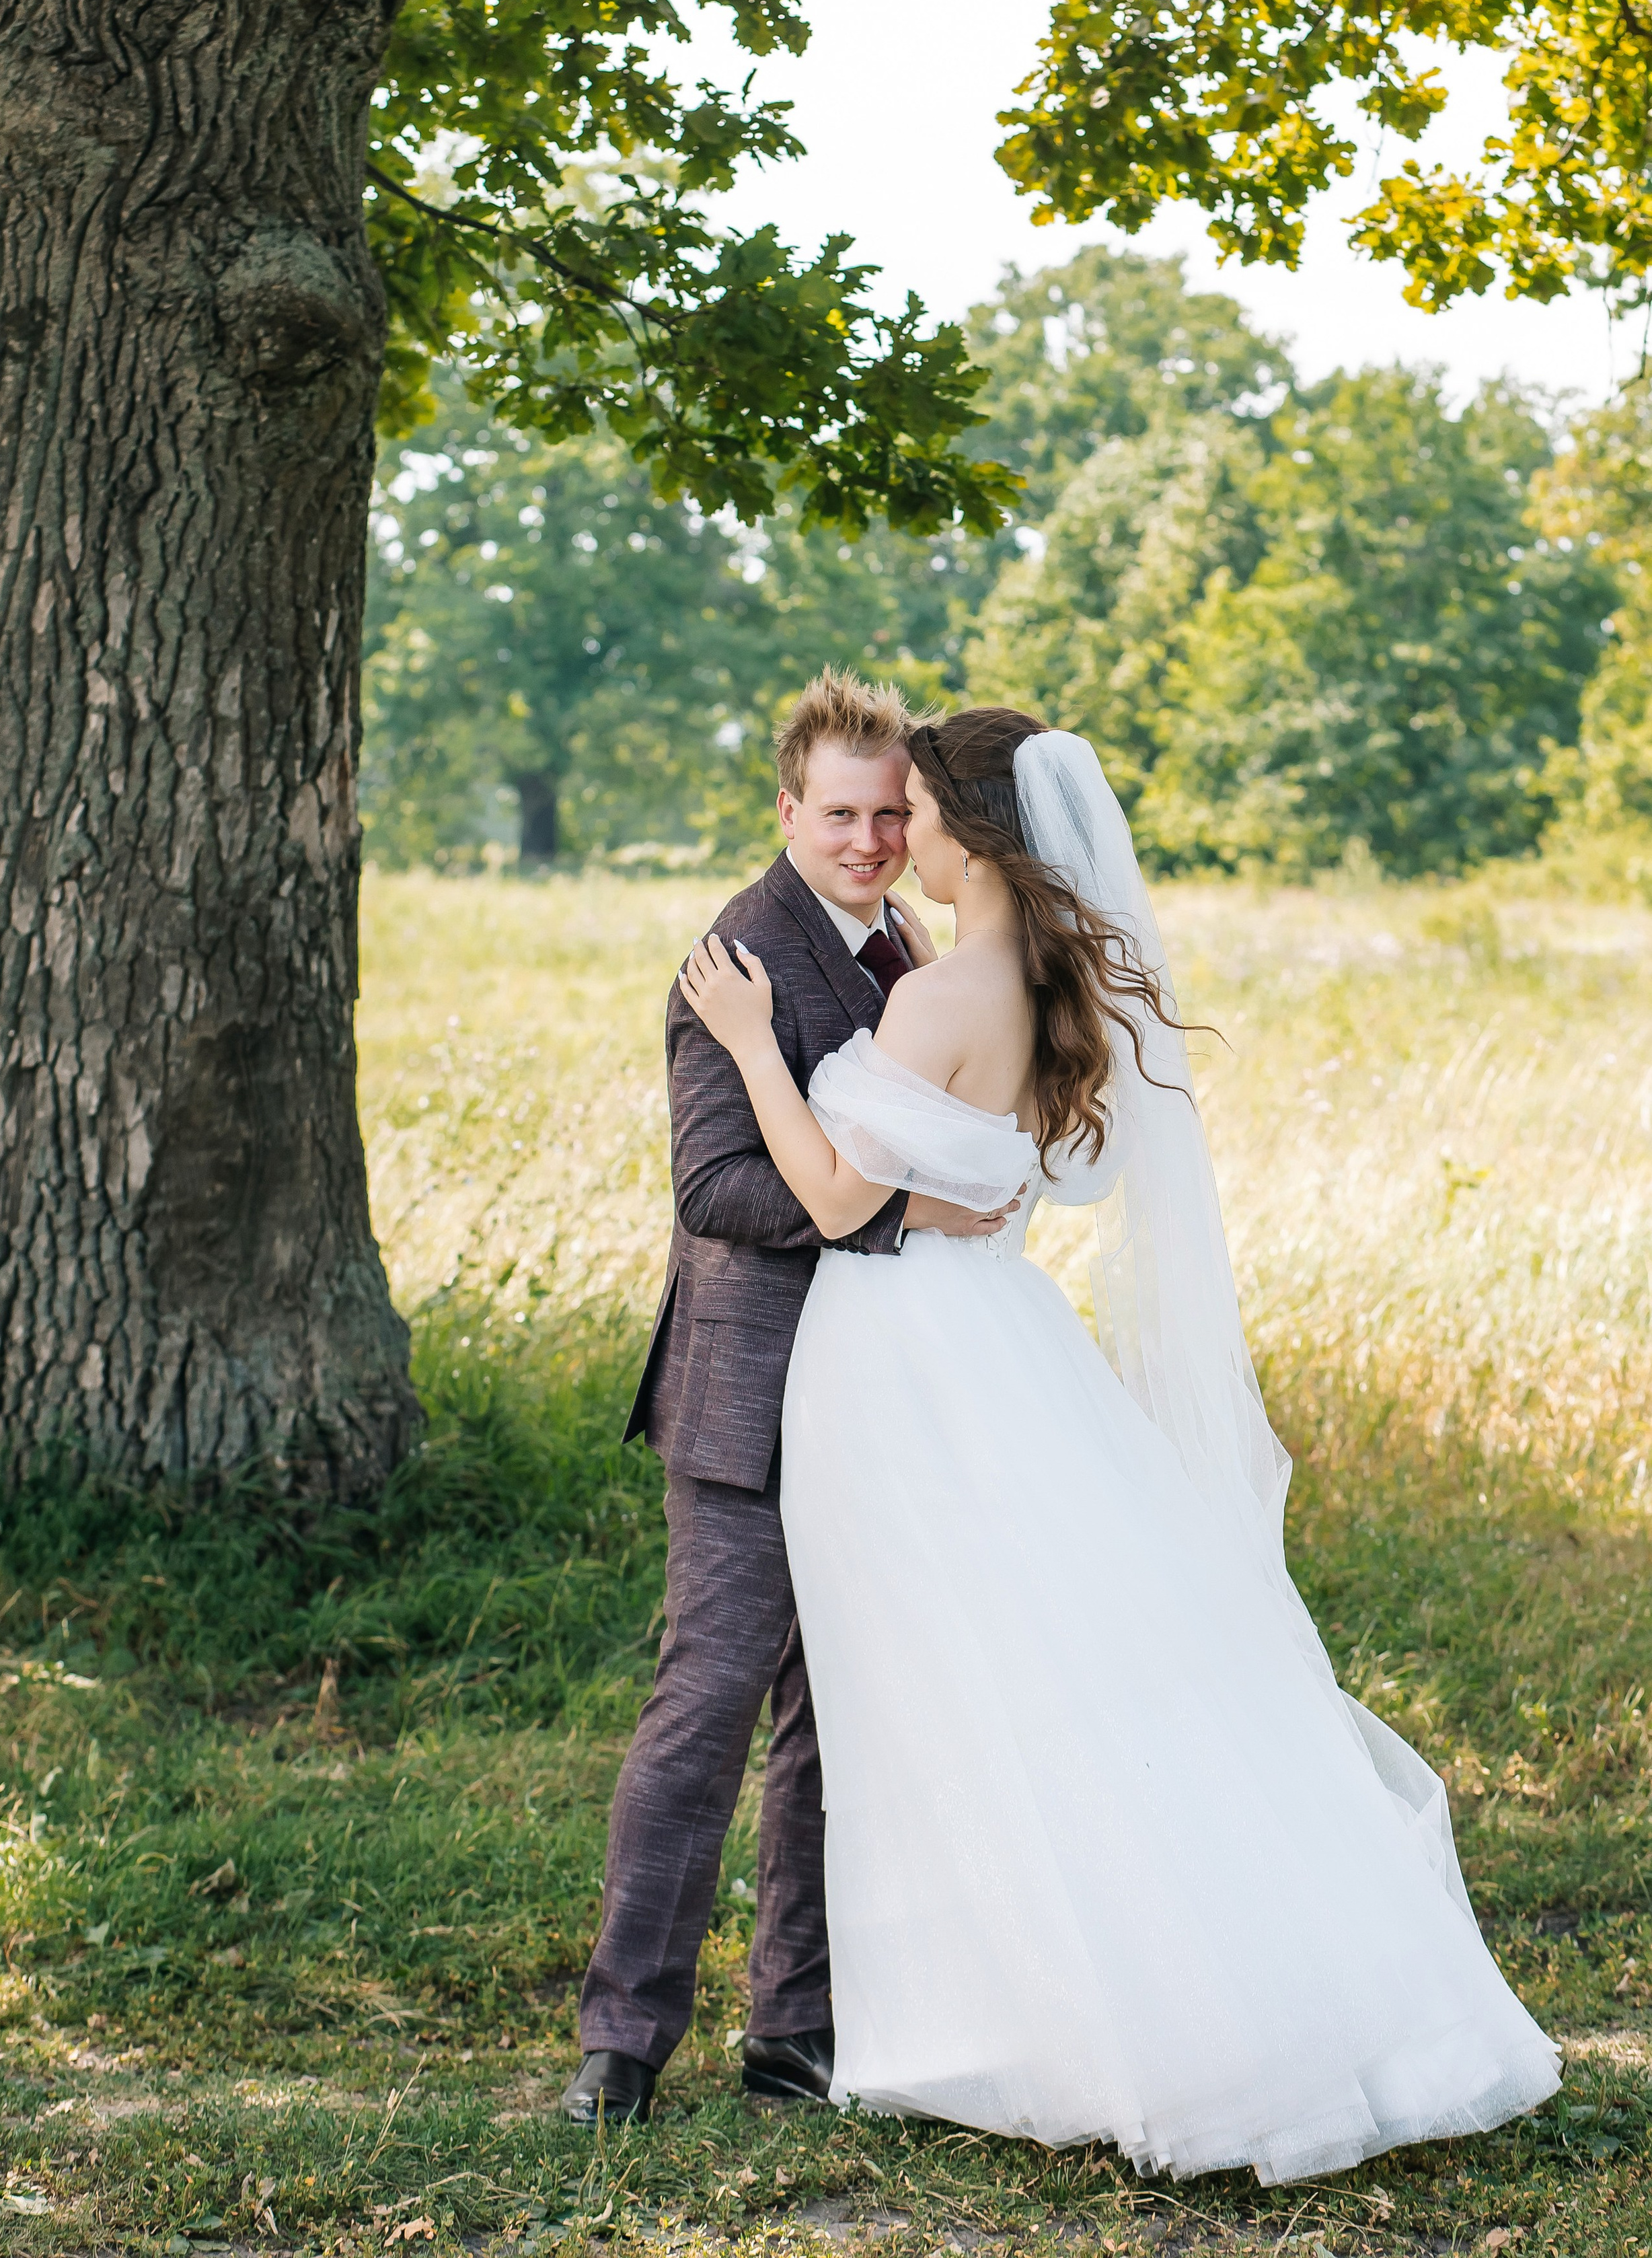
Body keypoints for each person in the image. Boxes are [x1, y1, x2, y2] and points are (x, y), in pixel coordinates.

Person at [674, 704, 1560, 2183]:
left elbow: (831, 1199)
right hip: (999, 1336)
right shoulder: (1048, 981)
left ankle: (1023, 2015)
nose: (898, 838)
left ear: (972, 835)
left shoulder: (936, 993)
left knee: (936, 1682)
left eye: (916, 815)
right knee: (1024, 1672)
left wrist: (756, 1048)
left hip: (903, 1360)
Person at [561, 671, 1016, 2129]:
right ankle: (621, 2048)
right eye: (840, 815)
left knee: (835, 1720)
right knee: (704, 1710)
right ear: (786, 810)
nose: (870, 841)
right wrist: (899, 1215)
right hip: (752, 1399)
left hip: (880, 1398)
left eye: (891, 815)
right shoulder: (736, 961)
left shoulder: (909, 949)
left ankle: (794, 2031)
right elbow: (714, 1187)